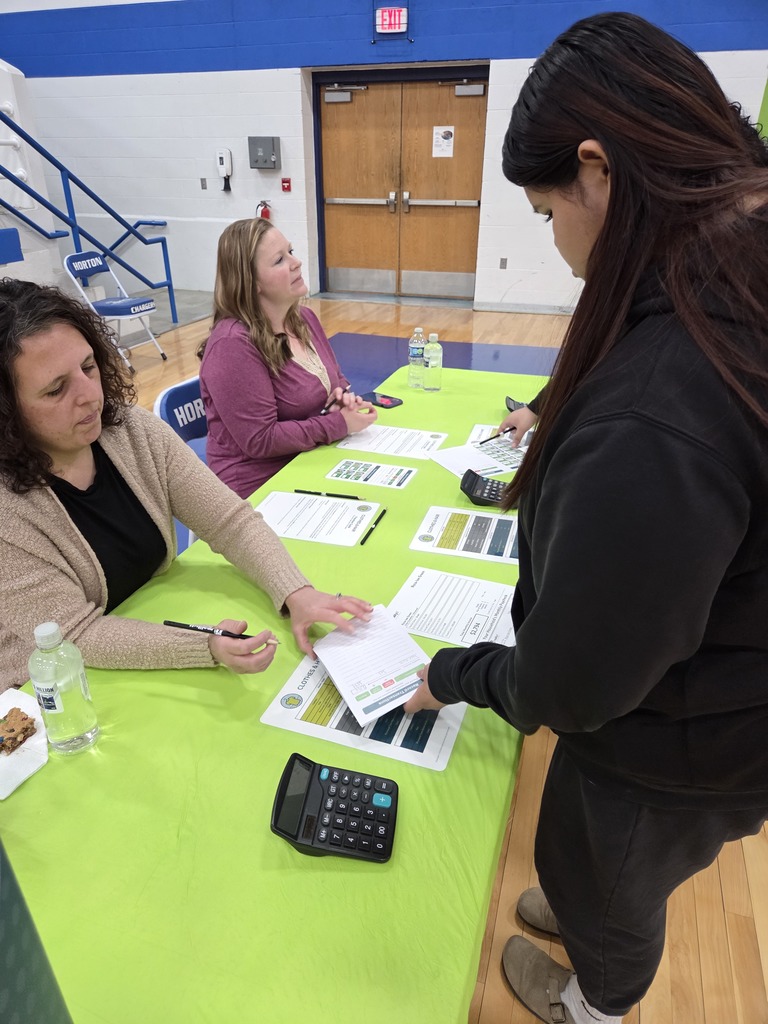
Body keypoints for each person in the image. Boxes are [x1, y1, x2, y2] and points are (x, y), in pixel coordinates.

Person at [404, 12, 768, 1024]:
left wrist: (458, 672)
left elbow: (578, 682)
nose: (557, 244)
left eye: (543, 210)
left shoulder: (668, 399)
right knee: (599, 859)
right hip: (727, 686)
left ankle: (597, 997)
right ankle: (590, 908)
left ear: (598, 171)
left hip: (686, 734)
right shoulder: (736, 251)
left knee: (608, 863)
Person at [0, 279, 373, 692]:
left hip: (143, 638)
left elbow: (229, 521)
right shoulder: (7, 511)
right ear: (7, 413)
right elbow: (76, 634)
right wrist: (203, 646)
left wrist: (295, 591)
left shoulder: (131, 430)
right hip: (48, 692)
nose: (90, 396)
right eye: (55, 390)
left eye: (88, 367)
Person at [197, 218, 377, 498]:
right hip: (258, 484)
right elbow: (260, 440)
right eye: (280, 260)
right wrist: (339, 424)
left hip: (309, 458)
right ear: (251, 281)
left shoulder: (303, 319)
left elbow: (335, 380)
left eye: (291, 251)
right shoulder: (232, 345)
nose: (296, 263)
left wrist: (341, 399)